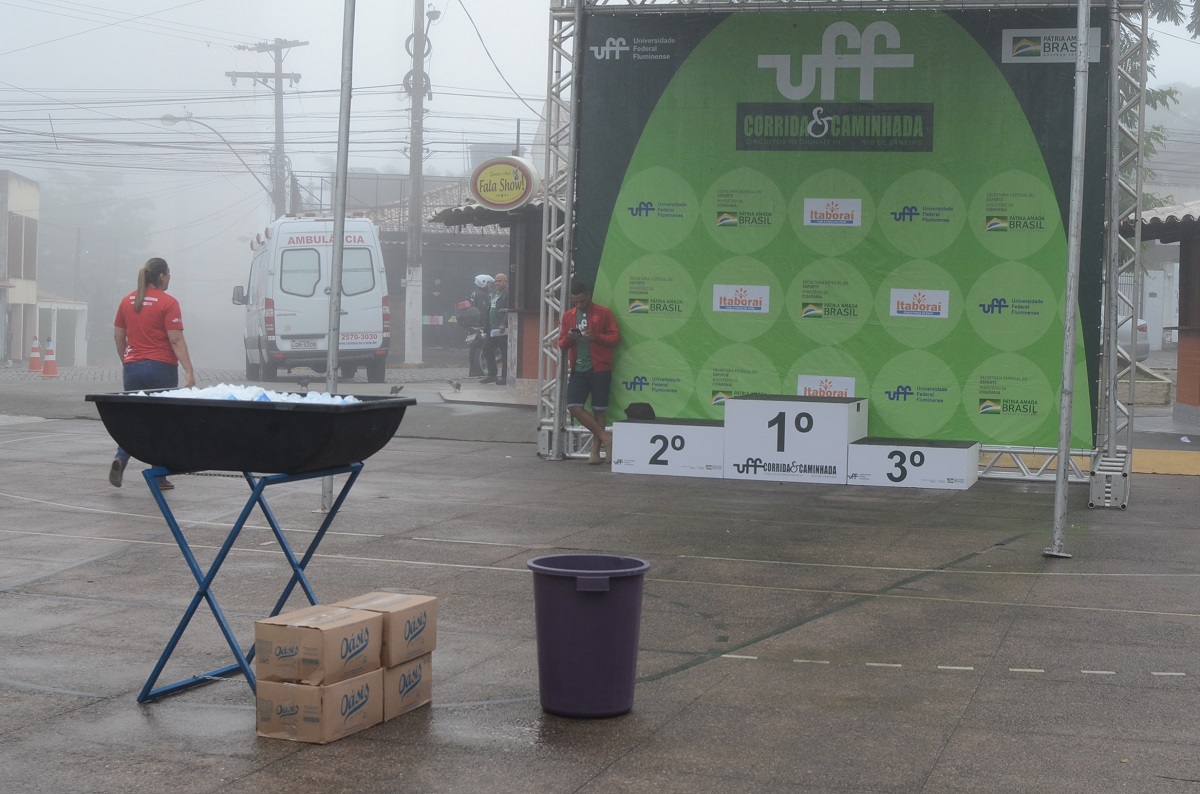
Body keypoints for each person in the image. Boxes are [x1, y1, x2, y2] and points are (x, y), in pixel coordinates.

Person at [109, 257, 196, 490]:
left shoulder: (127, 301)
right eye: (169, 275)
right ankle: (158, 475)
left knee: (134, 419)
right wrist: (189, 371)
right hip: (161, 368)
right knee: (161, 422)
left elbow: (119, 337)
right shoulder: (168, 302)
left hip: (133, 368)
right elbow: (175, 339)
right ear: (161, 277)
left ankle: (121, 458)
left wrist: (127, 361)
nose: (169, 279)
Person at [557, 280, 620, 464]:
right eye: (575, 302)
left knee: (599, 409)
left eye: (582, 301)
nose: (579, 305)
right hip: (578, 368)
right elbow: (561, 345)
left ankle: (595, 452)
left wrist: (596, 337)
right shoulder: (569, 316)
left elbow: (616, 337)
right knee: (574, 406)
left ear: (589, 295)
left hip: (600, 368)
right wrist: (569, 337)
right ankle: (605, 437)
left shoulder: (603, 313)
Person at [483, 272, 509, 385]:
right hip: (492, 329)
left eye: (500, 281)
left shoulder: (508, 293)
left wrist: (504, 323)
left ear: (505, 282)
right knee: (487, 348)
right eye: (496, 281)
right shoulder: (495, 293)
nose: (497, 283)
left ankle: (504, 377)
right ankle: (492, 374)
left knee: (504, 353)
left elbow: (509, 310)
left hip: (502, 329)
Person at [469, 274, 495, 379]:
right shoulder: (482, 295)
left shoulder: (475, 293)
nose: (490, 286)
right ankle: (477, 370)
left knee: (474, 347)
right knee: (483, 346)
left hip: (474, 323)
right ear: (483, 283)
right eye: (489, 284)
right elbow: (484, 311)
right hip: (481, 324)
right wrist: (486, 324)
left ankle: (473, 370)